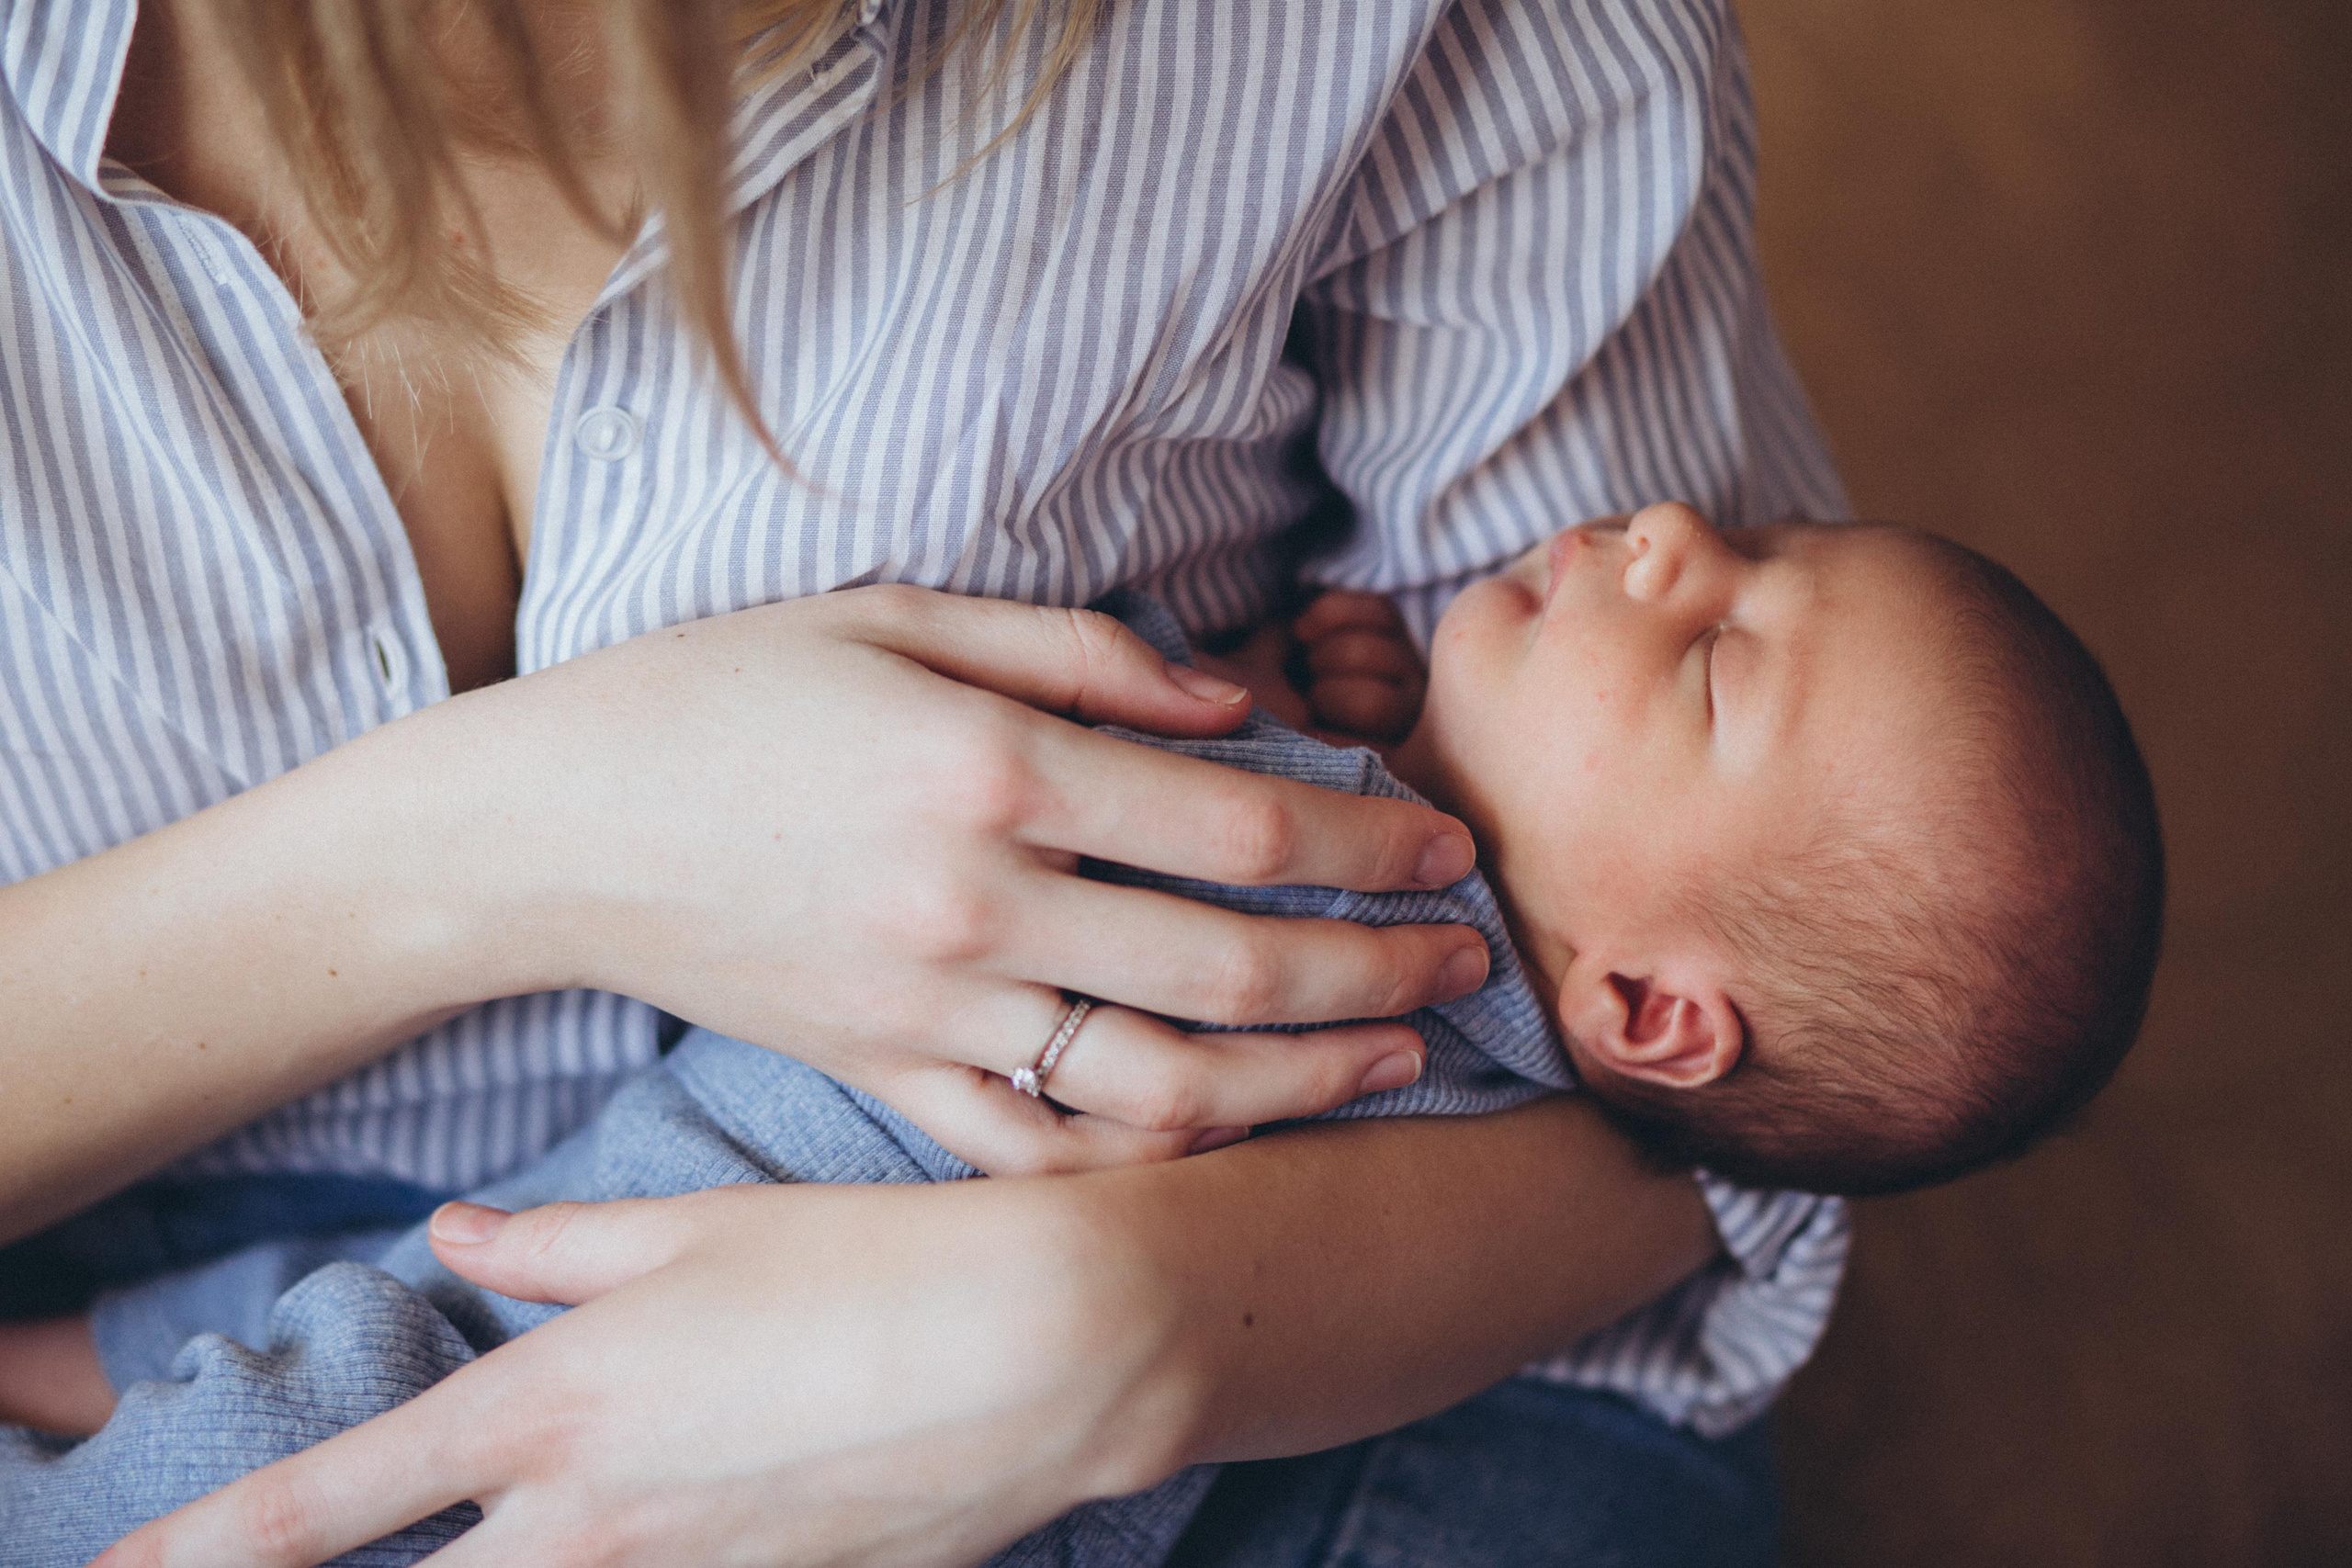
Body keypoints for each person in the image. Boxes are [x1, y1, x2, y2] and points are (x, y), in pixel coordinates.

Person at [1, 2, 1854, 1563]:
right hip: (198, 1208)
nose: (1678, 536)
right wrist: (524, 838)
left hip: (1314, 1319)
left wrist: (1136, 1321)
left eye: (1716, 651)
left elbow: (1783, 1091)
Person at [2, 503, 2161, 1564]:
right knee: (337, 1330)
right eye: (1757, 539)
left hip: (626, 1346)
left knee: (306, 1431)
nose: (1675, 528)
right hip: (580, 1246)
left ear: (1652, 1011)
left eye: (1709, 659)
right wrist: (1348, 707)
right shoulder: (1421, 939)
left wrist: (1254, 704)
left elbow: (1085, 767)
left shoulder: (1362, 957)